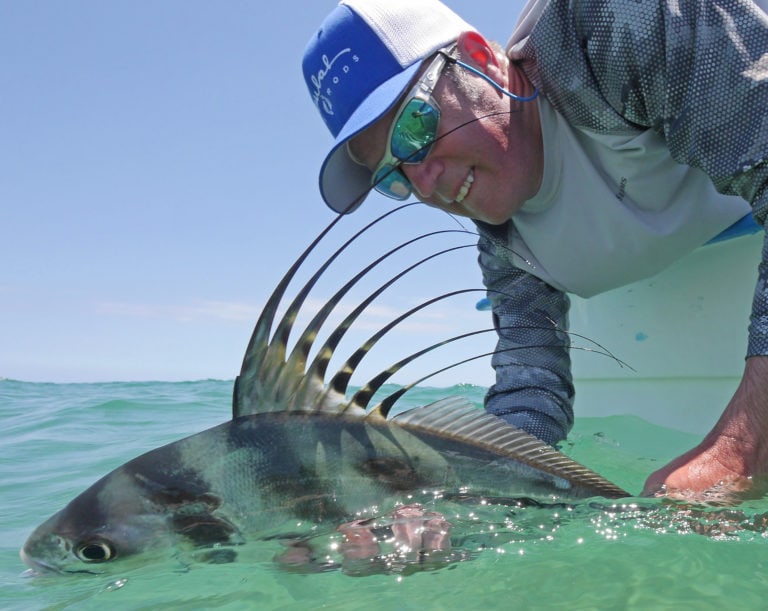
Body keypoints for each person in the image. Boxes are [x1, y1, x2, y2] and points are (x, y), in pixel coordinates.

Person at [301, 0, 768, 501]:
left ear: (480, 58)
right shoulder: (504, 241)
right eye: (393, 175)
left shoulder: (606, 26)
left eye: (415, 129)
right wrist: (458, 501)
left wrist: (742, 447)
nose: (425, 184)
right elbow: (531, 394)